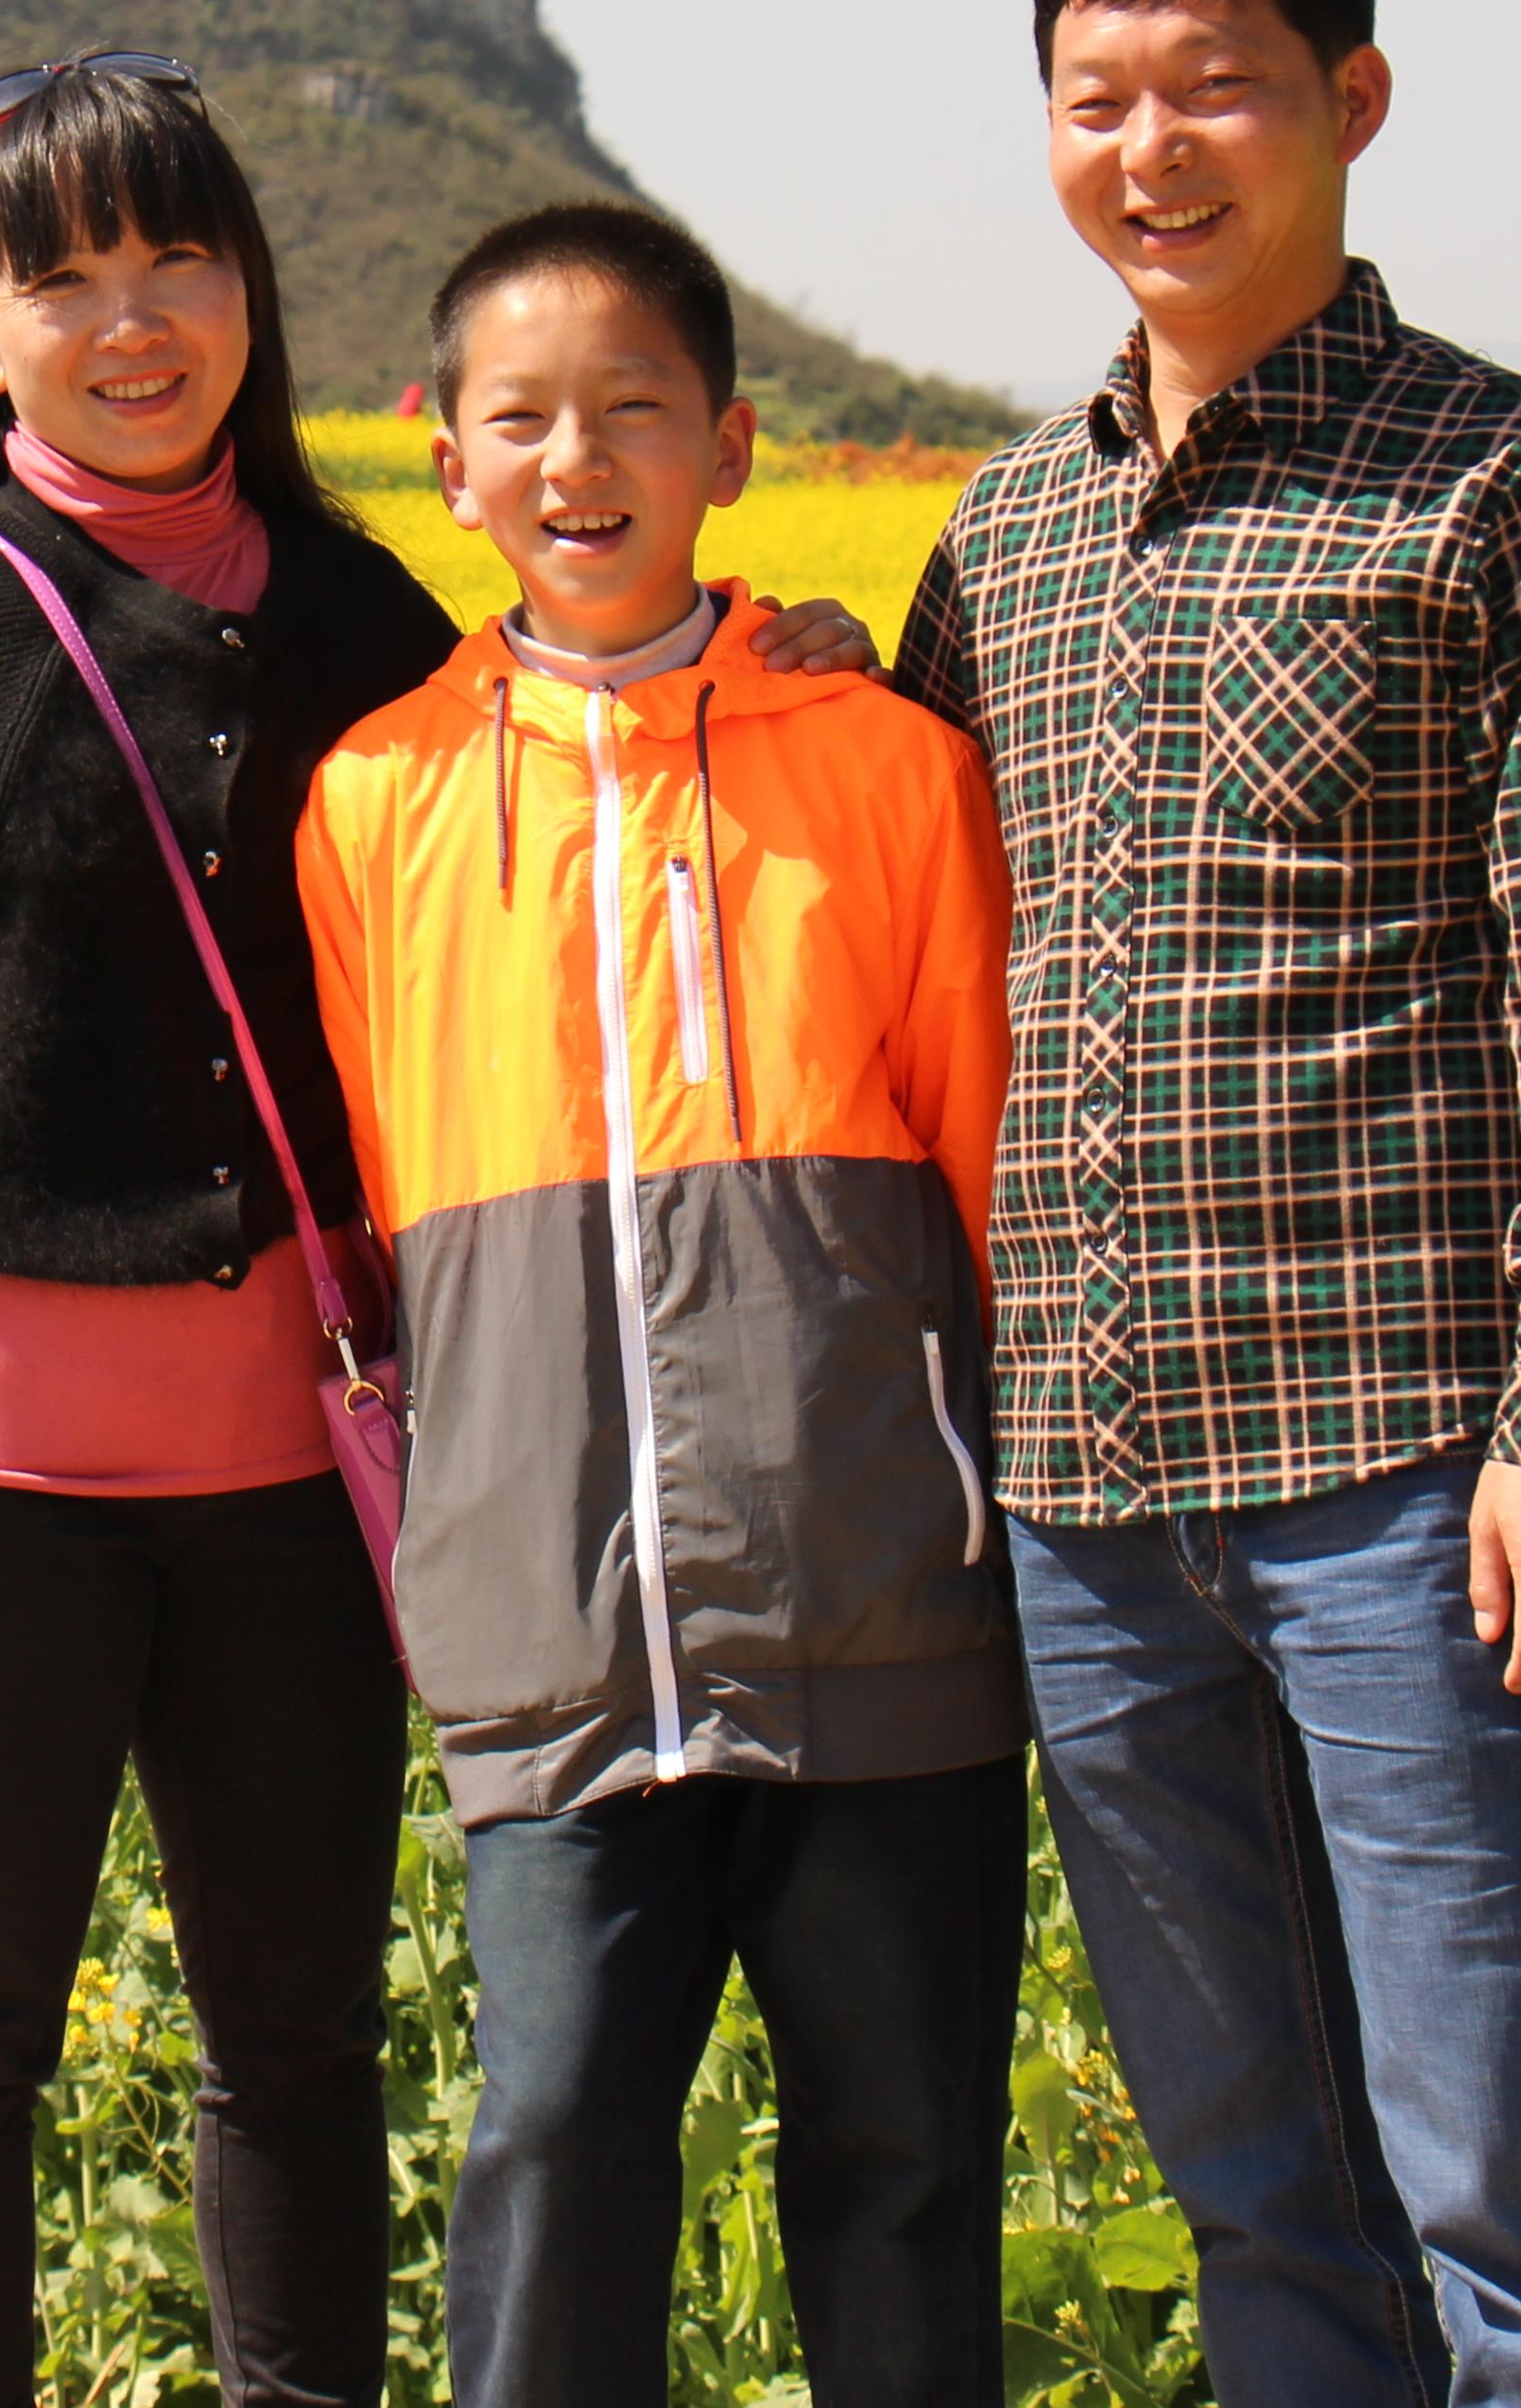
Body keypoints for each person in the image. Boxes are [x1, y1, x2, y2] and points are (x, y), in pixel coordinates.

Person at [0, 53, 879, 2407]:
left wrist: (794, 674)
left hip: (296, 1475)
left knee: (294, 2035)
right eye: (64, 278)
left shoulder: (371, 620)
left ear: (252, 294)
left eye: (177, 260)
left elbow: (595, 753)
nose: (132, 321)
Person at [891, 0, 1521, 2405]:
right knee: (1262, 2203)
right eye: (1097, 99)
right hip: (1089, 1500)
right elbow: (917, 926)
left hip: (1406, 1485)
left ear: (1351, 102)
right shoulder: (1004, 533)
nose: (1153, 149)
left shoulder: (1511, 484)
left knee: (1511, 2210)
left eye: (1216, 88)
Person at [297, 205, 1023, 2408]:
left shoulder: (886, 764)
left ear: (731, 444)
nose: (578, 458)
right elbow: (388, 1207)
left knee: (907, 2171)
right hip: (546, 1627)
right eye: (521, 417)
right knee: (553, 2145)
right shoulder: (377, 800)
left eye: (633, 409)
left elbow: (989, 1162)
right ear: (446, 463)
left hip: (882, 1608)